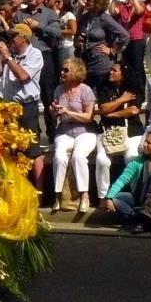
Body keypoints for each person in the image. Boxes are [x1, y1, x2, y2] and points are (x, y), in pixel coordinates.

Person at [0, 23, 45, 191]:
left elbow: (23, 76)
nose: (10, 41)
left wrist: (8, 58)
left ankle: (39, 190)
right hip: (9, 107)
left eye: (13, 37)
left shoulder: (35, 54)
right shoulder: (10, 55)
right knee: (11, 150)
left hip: (27, 106)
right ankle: (17, 190)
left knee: (33, 149)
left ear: (24, 38)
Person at [13, 0, 62, 141]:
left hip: (44, 56)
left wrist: (38, 26)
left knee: (48, 95)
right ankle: (33, 132)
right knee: (27, 94)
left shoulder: (49, 14)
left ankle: (53, 132)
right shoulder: (19, 15)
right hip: (25, 59)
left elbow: (57, 32)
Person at [49, 57, 99, 212]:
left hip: (85, 131)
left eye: (66, 70)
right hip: (64, 131)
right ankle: (58, 196)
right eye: (62, 69)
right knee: (59, 156)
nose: (62, 72)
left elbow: (89, 117)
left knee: (78, 156)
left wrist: (68, 112)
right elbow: (56, 115)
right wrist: (53, 112)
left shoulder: (85, 90)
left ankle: (85, 195)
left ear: (76, 72)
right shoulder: (59, 89)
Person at [95, 61, 145, 203]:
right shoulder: (104, 88)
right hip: (108, 130)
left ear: (123, 74)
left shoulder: (134, 89)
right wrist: (122, 100)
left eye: (114, 70)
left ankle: (136, 195)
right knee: (102, 160)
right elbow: (103, 109)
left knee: (132, 158)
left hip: (132, 130)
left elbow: (133, 110)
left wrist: (111, 114)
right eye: (110, 70)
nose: (110, 72)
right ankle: (103, 196)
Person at [75, 0, 129, 91]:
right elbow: (77, 35)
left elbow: (124, 35)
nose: (85, 1)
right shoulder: (84, 17)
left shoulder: (104, 18)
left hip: (101, 63)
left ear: (98, 1)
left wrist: (113, 50)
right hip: (86, 63)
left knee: (103, 94)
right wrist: (77, 41)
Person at [111, 0, 147, 102]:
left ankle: (140, 94)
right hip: (126, 40)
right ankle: (130, 91)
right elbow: (112, 12)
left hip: (137, 39)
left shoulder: (140, 3)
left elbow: (139, 12)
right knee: (127, 67)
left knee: (137, 67)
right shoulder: (122, 5)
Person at [51, 0, 77, 66]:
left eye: (58, 2)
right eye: (56, 2)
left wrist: (59, 31)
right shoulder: (58, 15)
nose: (56, 4)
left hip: (67, 46)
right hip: (59, 45)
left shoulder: (69, 15)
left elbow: (73, 31)